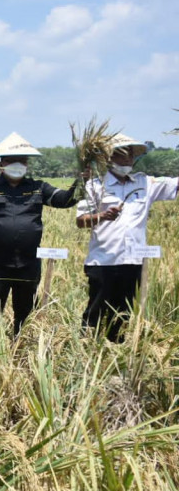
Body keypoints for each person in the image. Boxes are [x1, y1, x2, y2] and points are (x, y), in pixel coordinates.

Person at [0, 132, 81, 334]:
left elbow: (64, 200)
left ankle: (22, 348)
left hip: (28, 263)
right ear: (1, 163)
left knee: (26, 311)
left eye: (21, 160)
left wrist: (82, 181)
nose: (17, 164)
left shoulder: (38, 188)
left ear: (27, 164)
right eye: (11, 160)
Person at [76, 134, 177, 342]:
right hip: (103, 260)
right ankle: (86, 353)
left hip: (133, 261)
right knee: (95, 311)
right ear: (108, 158)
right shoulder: (95, 185)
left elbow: (175, 185)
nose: (127, 160)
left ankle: (117, 354)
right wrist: (102, 216)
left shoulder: (145, 184)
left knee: (123, 314)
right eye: (122, 155)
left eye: (130, 155)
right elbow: (81, 220)